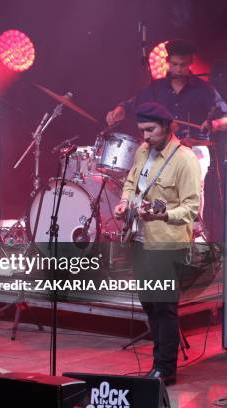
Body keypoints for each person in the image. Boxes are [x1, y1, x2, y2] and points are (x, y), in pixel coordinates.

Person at [114, 102, 201, 385]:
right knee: (149, 303)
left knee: (164, 306)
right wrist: (125, 201)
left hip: (167, 242)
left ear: (167, 126)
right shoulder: (142, 150)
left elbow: (192, 208)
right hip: (139, 237)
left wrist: (165, 213)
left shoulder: (185, 159)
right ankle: (159, 362)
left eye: (150, 130)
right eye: (141, 131)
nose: (146, 136)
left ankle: (166, 369)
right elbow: (130, 182)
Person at [106, 39, 227, 229]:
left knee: (191, 187)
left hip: (195, 149)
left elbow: (225, 118)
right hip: (164, 149)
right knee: (147, 183)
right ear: (168, 62)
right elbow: (129, 105)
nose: (178, 69)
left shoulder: (205, 90)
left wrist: (214, 123)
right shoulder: (155, 89)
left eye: (183, 65)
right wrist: (118, 111)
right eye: (175, 64)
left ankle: (194, 233)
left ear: (190, 63)